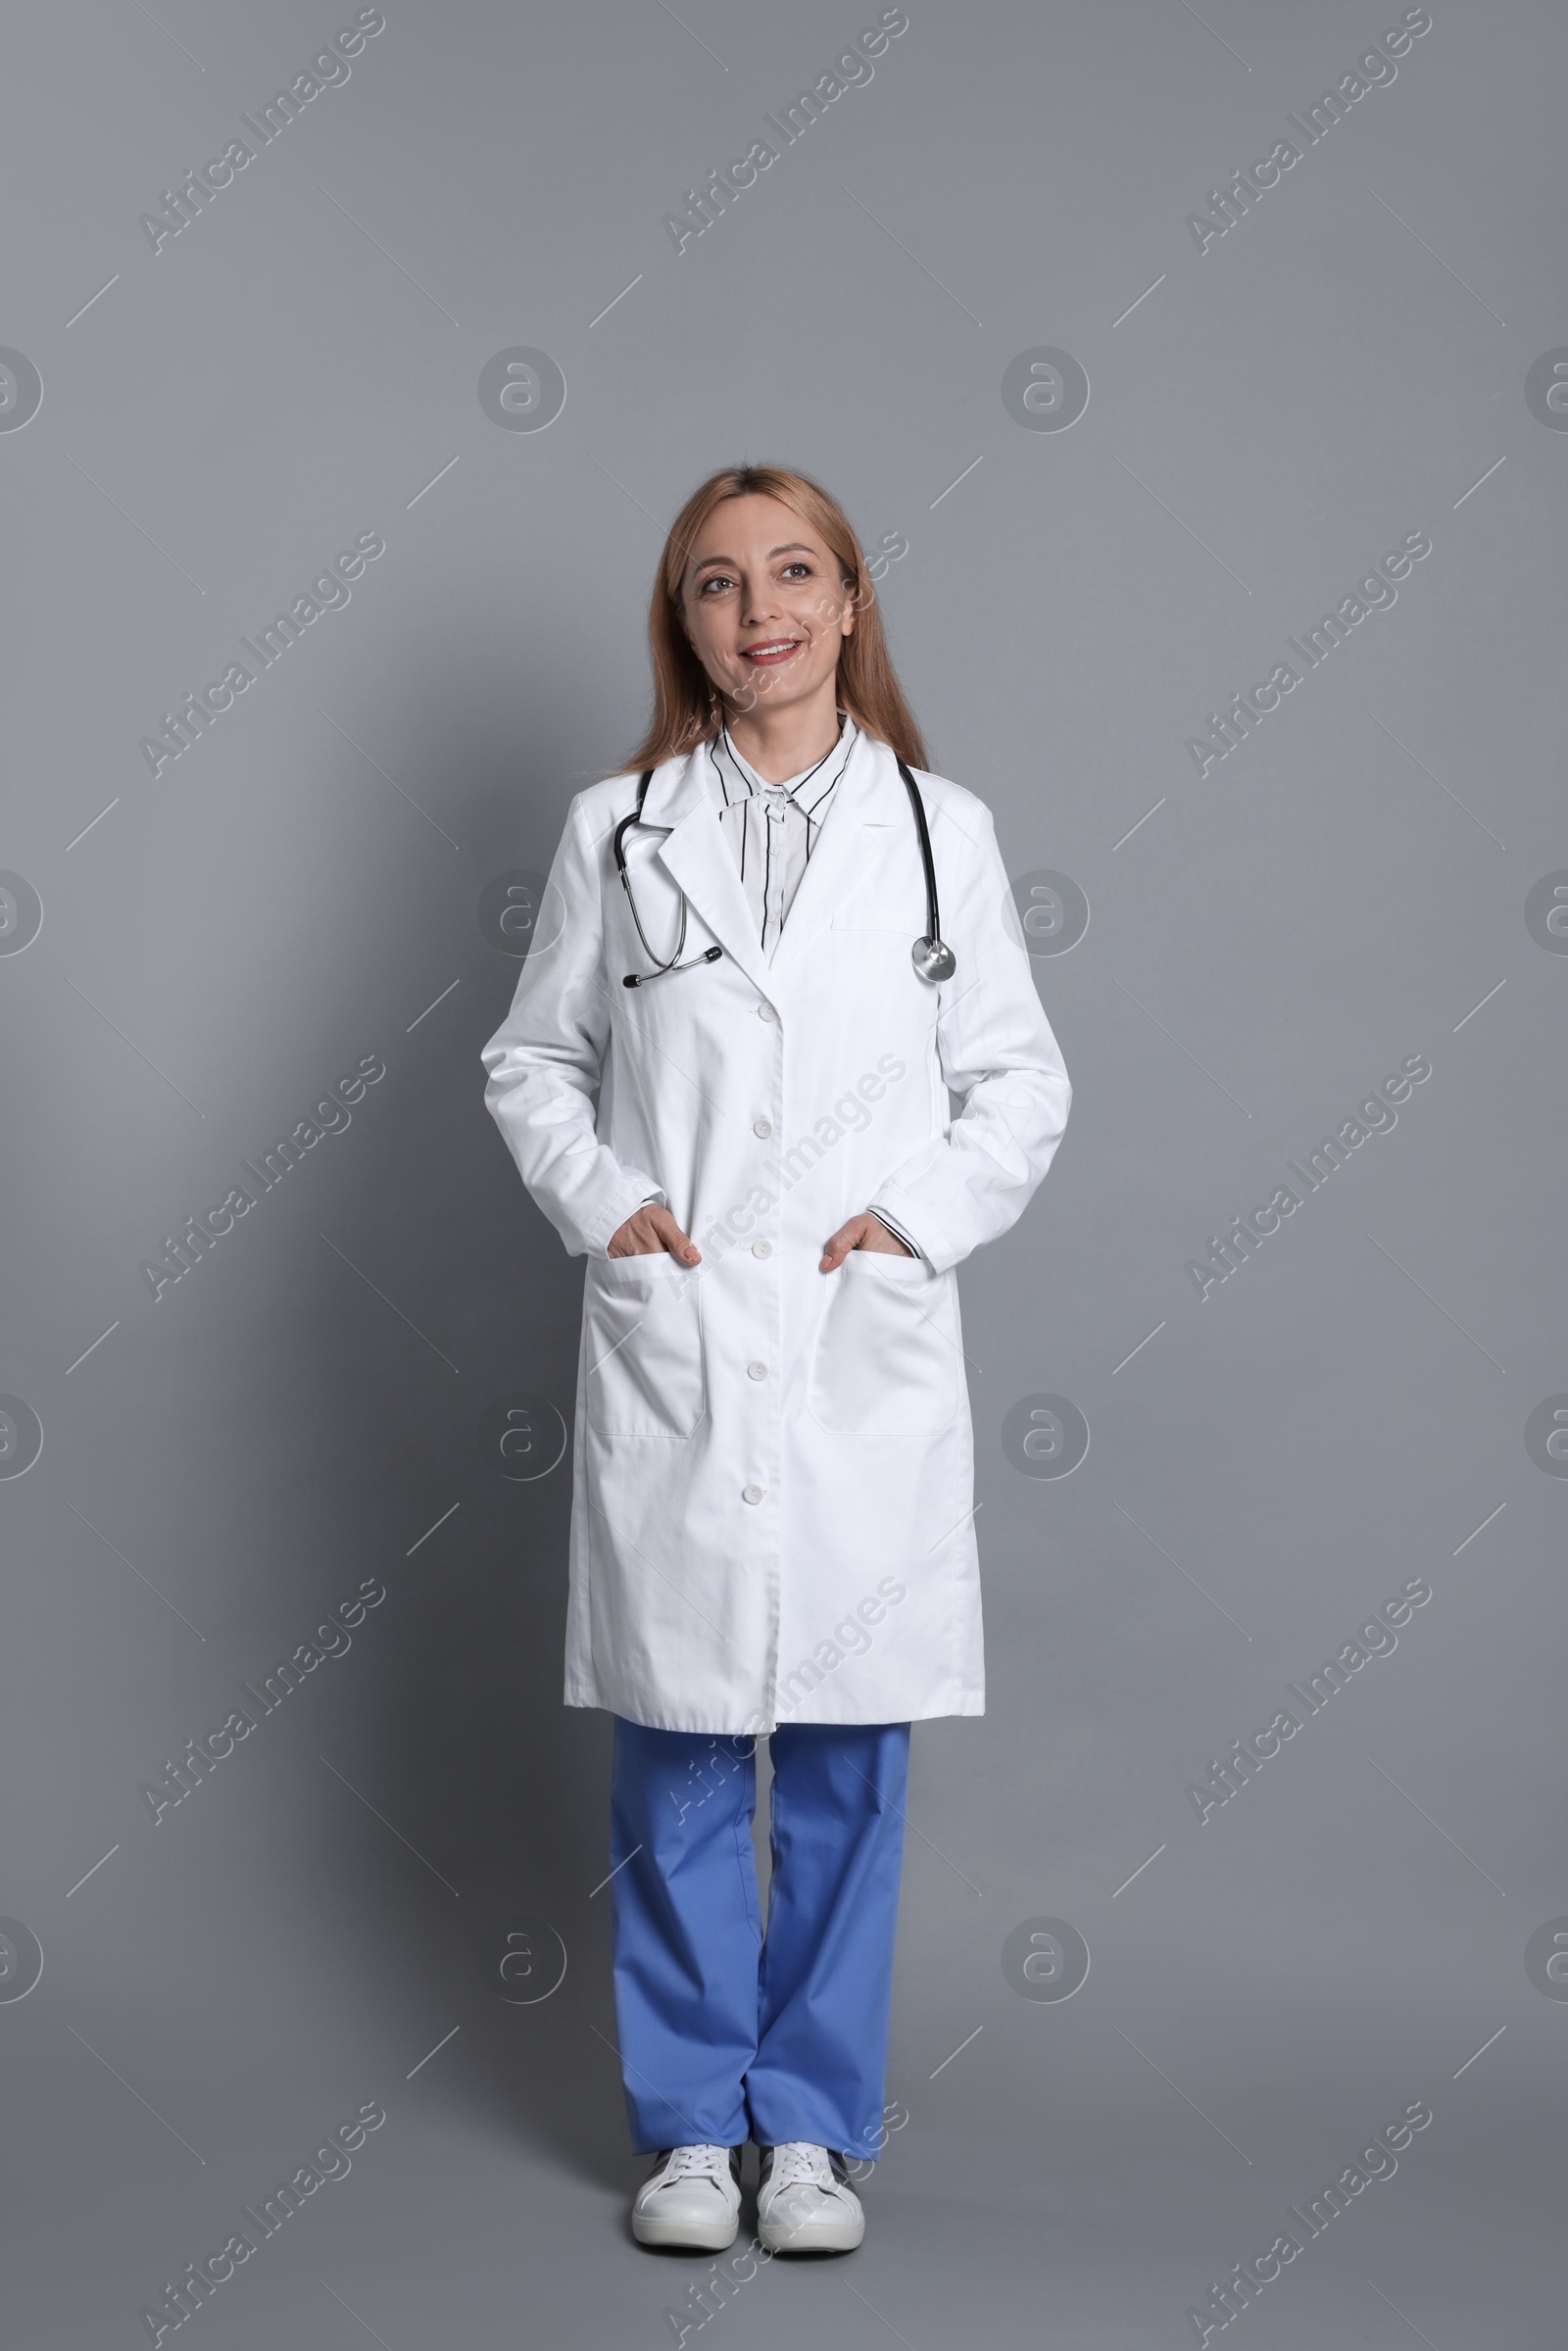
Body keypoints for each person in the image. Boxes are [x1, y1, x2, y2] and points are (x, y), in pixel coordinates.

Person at [481, 463, 1071, 2255]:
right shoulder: (617, 828)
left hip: (849, 1342)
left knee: (840, 1764)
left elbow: (1021, 1083)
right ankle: (685, 2128)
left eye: (794, 572)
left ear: (851, 598)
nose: (764, 611)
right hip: (689, 1332)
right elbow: (531, 1063)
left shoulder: (938, 829)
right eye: (722, 583)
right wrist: (613, 1208)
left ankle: (807, 2133)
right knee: (674, 1754)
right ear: (688, 623)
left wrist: (912, 1224)